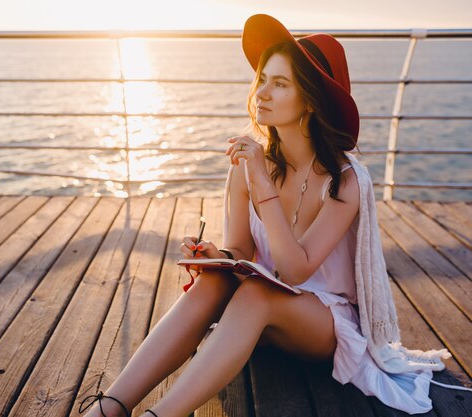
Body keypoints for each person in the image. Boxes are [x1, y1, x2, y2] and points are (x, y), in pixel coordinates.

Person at [78, 14, 468, 417]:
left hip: (326, 323)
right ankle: (108, 408)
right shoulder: (248, 165)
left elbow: (295, 272)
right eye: (263, 78)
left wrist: (262, 183)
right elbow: (241, 248)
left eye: (280, 84)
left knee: (258, 293)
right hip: (263, 309)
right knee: (213, 283)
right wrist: (218, 256)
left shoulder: (346, 180)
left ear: (311, 101)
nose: (261, 92)